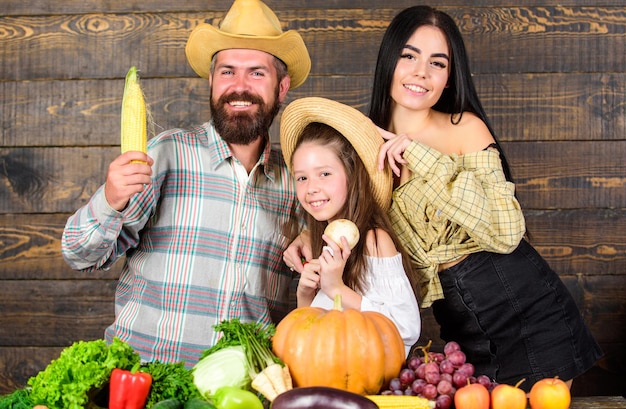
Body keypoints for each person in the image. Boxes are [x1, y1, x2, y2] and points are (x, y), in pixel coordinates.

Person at [285, 5, 601, 392]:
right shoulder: (363, 148)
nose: (421, 72)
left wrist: (419, 155)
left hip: (526, 305)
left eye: (438, 63)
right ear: (389, 63)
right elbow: (339, 201)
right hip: (457, 320)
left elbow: (505, 231)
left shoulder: (464, 129)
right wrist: (309, 232)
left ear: (449, 78)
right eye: (409, 56)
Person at [61, 0, 311, 367]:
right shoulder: (165, 155)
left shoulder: (297, 182)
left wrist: (314, 237)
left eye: (256, 73)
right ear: (211, 81)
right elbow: (78, 254)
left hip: (240, 393)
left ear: (282, 86)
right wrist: (111, 199)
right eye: (227, 72)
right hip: (145, 382)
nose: (238, 87)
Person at [279, 97, 421, 356]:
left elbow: (405, 330)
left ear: (352, 174)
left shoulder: (374, 240)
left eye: (324, 174)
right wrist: (305, 296)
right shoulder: (322, 245)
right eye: (302, 177)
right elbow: (306, 343)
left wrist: (336, 289)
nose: (311, 188)